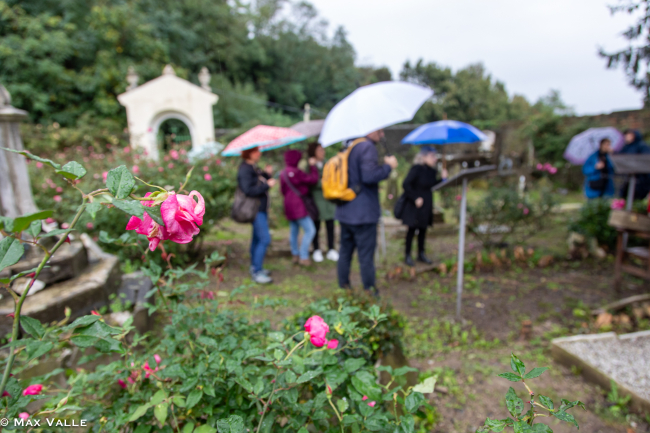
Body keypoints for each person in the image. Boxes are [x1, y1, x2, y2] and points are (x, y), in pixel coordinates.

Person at [335, 129, 398, 295]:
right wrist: (388, 167)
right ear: (370, 130)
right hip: (362, 213)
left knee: (345, 252)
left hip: (346, 208)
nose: (382, 134)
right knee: (365, 255)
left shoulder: (348, 146)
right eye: (380, 130)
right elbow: (369, 176)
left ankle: (344, 287)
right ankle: (370, 290)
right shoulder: (367, 146)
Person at [400, 146, 447, 266]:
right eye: (432, 156)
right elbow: (406, 184)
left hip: (426, 205)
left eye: (435, 156)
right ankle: (407, 255)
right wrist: (415, 198)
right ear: (424, 156)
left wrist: (442, 178)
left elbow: (432, 186)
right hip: (415, 206)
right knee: (412, 230)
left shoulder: (431, 171)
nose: (434, 159)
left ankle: (421, 254)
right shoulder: (416, 169)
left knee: (423, 230)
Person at [237, 147, 276, 284]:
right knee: (265, 239)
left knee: (257, 239)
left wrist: (267, 174)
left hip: (261, 209)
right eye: (256, 151)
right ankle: (257, 271)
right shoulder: (245, 169)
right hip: (255, 210)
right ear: (249, 153)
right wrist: (267, 185)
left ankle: (255, 267)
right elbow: (248, 190)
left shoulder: (253, 167)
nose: (259, 153)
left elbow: (260, 180)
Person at [280, 149, 319, 266]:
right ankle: (303, 256)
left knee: (294, 231)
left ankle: (295, 254)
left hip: (288, 204)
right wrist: (313, 167)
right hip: (298, 205)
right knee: (310, 230)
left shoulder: (283, 173)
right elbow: (313, 180)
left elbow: (282, 190)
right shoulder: (297, 172)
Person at [306, 142, 339, 262]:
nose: (322, 152)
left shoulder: (328, 164)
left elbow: (334, 179)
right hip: (316, 200)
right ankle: (316, 249)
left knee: (330, 225)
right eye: (319, 150)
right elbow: (311, 182)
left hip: (328, 199)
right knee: (316, 226)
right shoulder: (309, 165)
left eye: (322, 150)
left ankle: (331, 249)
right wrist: (324, 182)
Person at [618, 129, 650, 200]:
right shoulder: (625, 147)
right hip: (628, 176)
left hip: (641, 178)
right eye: (626, 135)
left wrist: (636, 166)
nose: (627, 136)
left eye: (629, 134)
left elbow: (646, 160)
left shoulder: (642, 146)